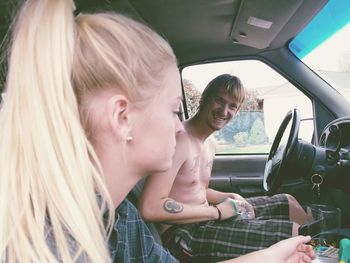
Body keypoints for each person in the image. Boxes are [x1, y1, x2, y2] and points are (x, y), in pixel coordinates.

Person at [0, 0, 314, 262]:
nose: (179, 125)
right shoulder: (53, 246)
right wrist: (218, 213)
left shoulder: (122, 219)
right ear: (122, 117)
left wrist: (273, 255)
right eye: (174, 109)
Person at [139, 74, 309, 261]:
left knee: (288, 202)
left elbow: (197, 188)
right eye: (219, 101)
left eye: (232, 106)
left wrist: (226, 197)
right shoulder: (180, 140)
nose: (224, 110)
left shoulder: (210, 143)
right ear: (205, 99)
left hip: (205, 216)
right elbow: (149, 207)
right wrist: (218, 211)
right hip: (180, 233)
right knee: (294, 235)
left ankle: (326, 251)